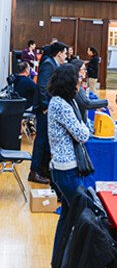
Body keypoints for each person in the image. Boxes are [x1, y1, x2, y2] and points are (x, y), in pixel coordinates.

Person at [47, 63, 93, 266]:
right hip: (66, 170)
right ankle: (69, 265)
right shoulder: (62, 105)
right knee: (80, 216)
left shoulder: (60, 102)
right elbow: (83, 134)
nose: (80, 81)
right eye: (78, 78)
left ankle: (60, 264)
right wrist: (86, 122)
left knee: (67, 216)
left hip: (63, 167)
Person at [31, 41, 69, 184]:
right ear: (59, 54)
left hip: (47, 107)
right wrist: (45, 106)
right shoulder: (48, 64)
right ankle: (34, 171)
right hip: (44, 109)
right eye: (65, 53)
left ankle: (41, 168)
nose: (66, 56)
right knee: (41, 140)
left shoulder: (52, 63)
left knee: (45, 140)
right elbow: (41, 86)